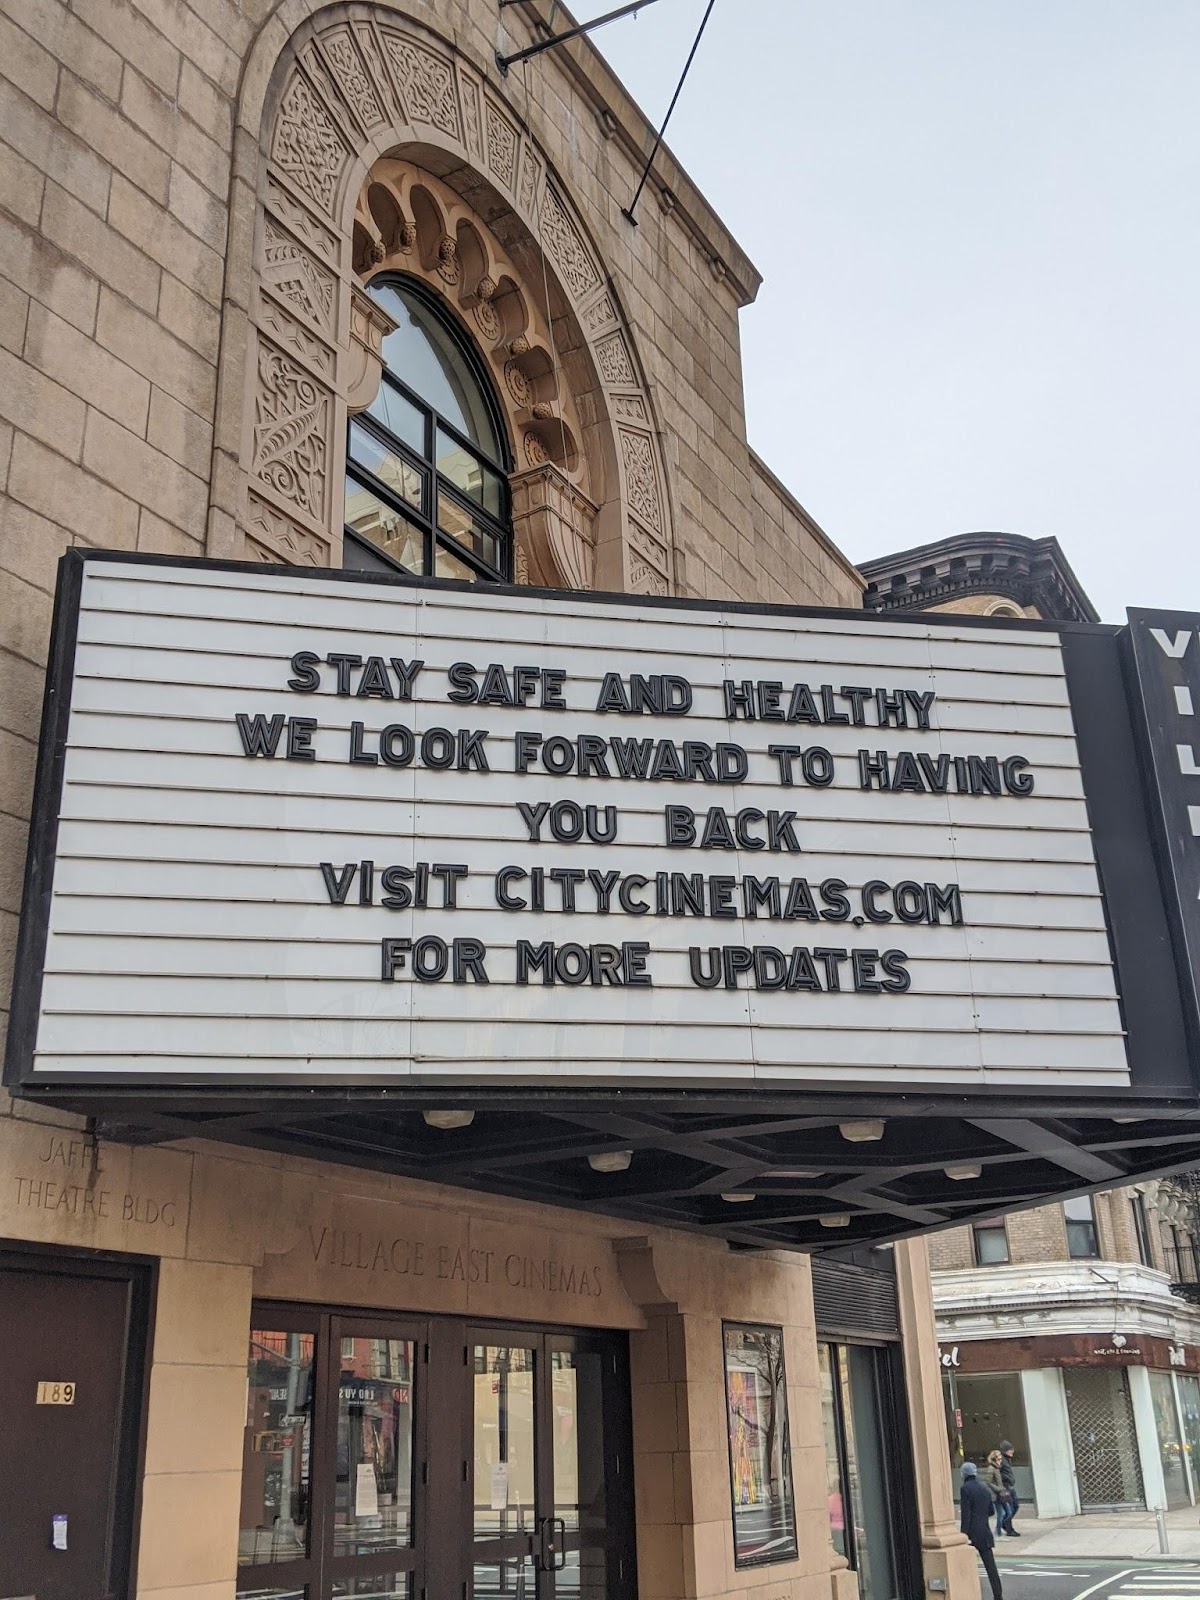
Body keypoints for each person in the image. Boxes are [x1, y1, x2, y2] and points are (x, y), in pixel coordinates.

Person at [961, 1461, 1003, 1600]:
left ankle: (968, 1593)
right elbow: (991, 1511)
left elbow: (965, 1514)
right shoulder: (984, 1487)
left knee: (966, 1565)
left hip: (972, 1533)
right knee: (991, 1567)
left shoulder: (965, 1489)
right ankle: (998, 1595)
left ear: (964, 1474)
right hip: (984, 1532)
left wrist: (964, 1534)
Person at [983, 1451, 1009, 1536]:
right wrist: (998, 1489)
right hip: (996, 1494)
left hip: (1001, 1493)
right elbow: (988, 1482)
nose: (1000, 1460)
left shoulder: (997, 1468)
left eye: (1001, 1459)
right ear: (994, 1459)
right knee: (1001, 1513)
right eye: (999, 1459)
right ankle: (998, 1532)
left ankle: (999, 1528)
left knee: (1008, 1512)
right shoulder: (991, 1468)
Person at [999, 1441, 1020, 1536]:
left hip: (1010, 1486)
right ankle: (1008, 1528)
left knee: (1015, 1506)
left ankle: (1005, 1524)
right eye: (1010, 1449)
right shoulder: (1002, 1460)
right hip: (1006, 1487)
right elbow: (998, 1474)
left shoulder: (1007, 1460)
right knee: (1010, 1508)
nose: (1012, 1451)